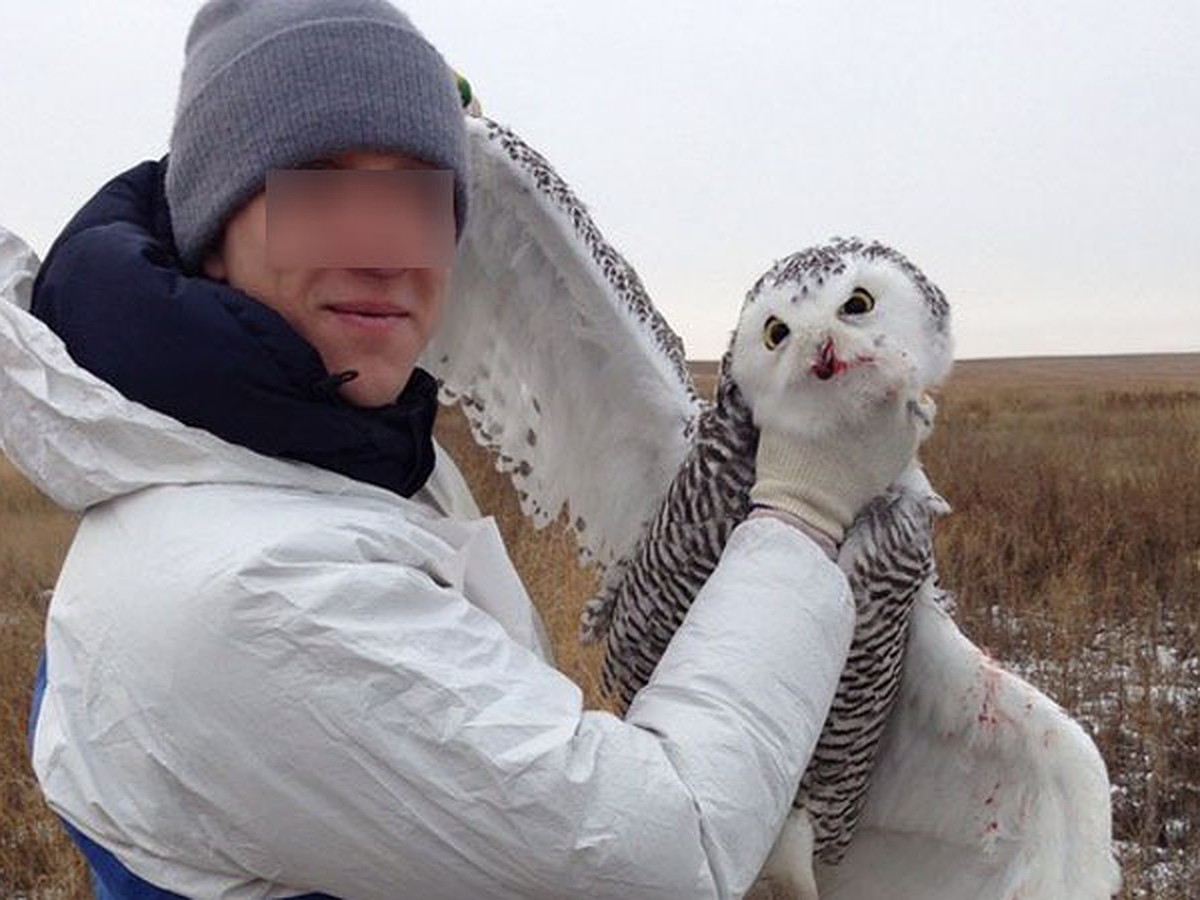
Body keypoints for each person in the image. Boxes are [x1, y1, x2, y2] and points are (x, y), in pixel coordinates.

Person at [5, 1, 921, 897]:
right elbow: (665, 854)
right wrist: (804, 507)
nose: (383, 247)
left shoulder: (299, 452)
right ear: (210, 234)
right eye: (317, 188)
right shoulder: (255, 590)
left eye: (420, 194)